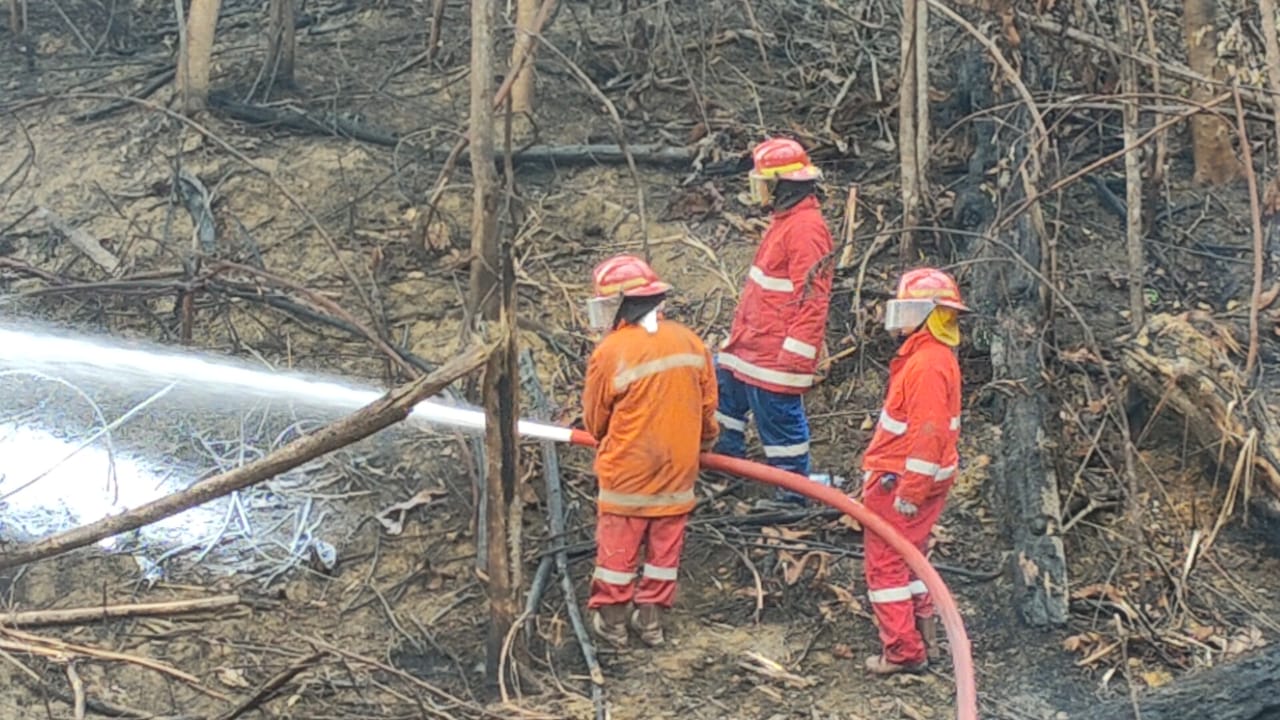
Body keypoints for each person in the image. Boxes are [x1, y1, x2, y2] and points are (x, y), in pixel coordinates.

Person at [581, 254, 719, 649]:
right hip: (679, 472)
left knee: (617, 555)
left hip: (627, 472)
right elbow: (709, 413)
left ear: (621, 304)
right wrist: (701, 446)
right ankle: (652, 622)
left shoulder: (611, 351)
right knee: (664, 551)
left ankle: (613, 624)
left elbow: (595, 422)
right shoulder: (691, 342)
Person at [859, 267, 969, 675]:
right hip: (913, 480)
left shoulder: (925, 364)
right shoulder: (934, 358)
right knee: (912, 557)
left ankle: (903, 652)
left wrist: (909, 490)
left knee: (886, 563)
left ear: (926, 313)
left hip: (899, 481)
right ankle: (928, 636)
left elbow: (928, 433)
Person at [714, 137, 835, 504]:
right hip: (749, 346)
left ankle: (793, 493)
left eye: (764, 183)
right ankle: (727, 467)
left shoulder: (806, 229)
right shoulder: (787, 222)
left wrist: (794, 358)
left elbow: (813, 299)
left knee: (779, 424)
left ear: (783, 184)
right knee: (724, 399)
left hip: (773, 355)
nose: (760, 192)